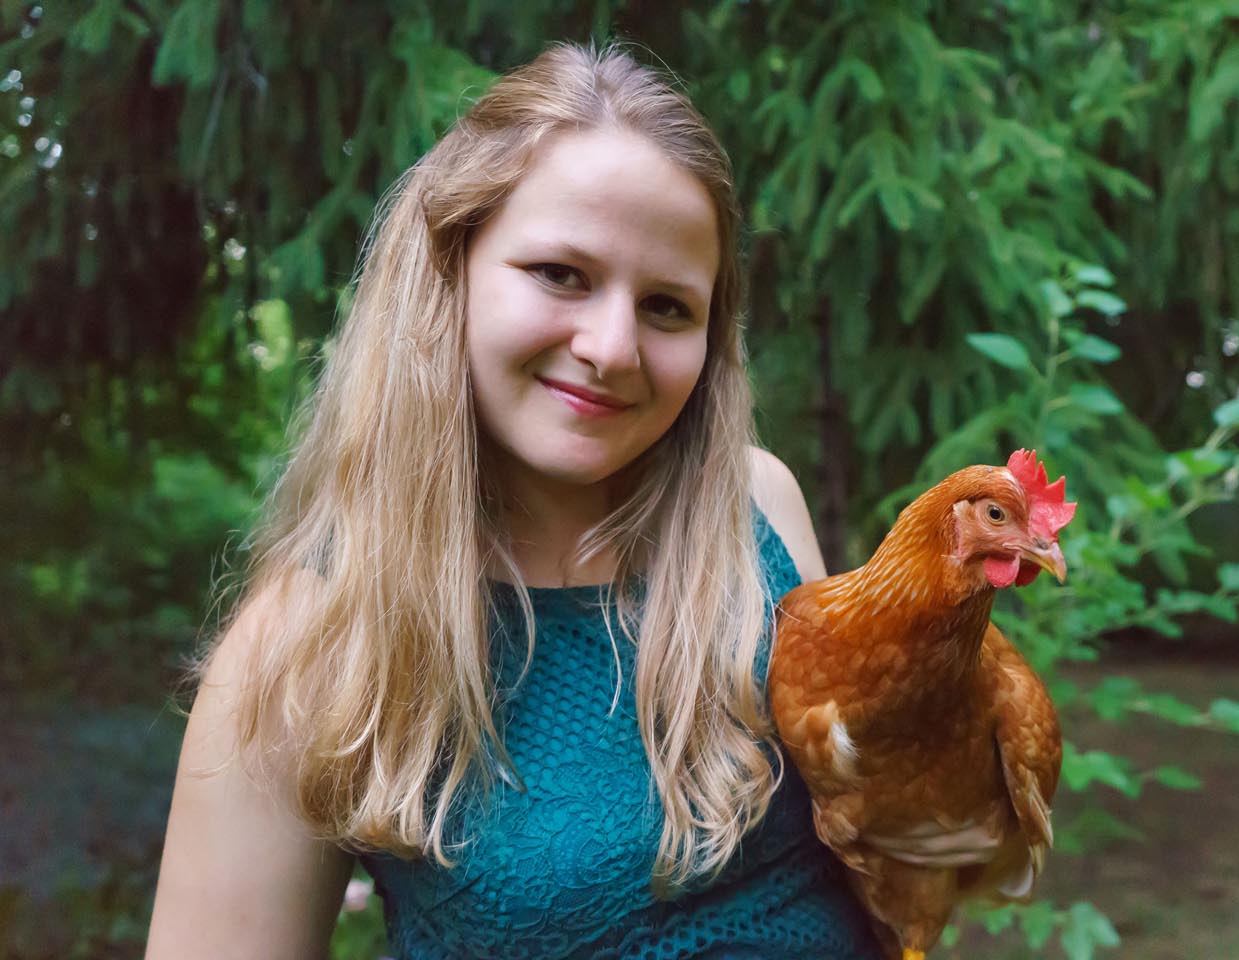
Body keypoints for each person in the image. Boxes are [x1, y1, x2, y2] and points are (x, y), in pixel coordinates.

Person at [146, 43, 997, 959]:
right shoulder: (305, 644)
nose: (613, 347)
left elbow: (869, 835)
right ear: (447, 272)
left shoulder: (757, 507)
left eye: (669, 306)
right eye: (561, 274)